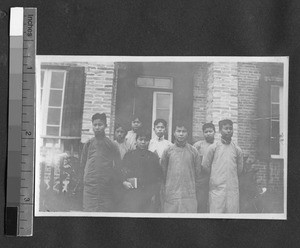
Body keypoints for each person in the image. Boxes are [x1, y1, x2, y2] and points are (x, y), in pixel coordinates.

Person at [80, 113, 121, 212]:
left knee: (104, 213)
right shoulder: (88, 144)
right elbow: (82, 164)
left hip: (106, 186)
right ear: (92, 126)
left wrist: (111, 179)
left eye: (100, 125)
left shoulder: (112, 144)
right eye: (95, 125)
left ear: (105, 126)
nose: (97, 127)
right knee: (89, 212)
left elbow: (118, 165)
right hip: (90, 186)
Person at [202, 119, 243, 213]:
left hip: (232, 189)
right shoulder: (213, 147)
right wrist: (216, 177)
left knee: (232, 216)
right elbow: (205, 166)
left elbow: (239, 169)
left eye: (230, 128)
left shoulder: (237, 149)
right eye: (226, 128)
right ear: (220, 131)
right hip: (217, 189)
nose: (228, 131)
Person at [161, 121, 201, 213]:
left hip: (189, 193)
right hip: (171, 193)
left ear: (187, 133)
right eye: (178, 131)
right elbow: (163, 171)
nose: (181, 134)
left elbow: (198, 173)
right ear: (174, 133)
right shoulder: (168, 151)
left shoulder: (193, 151)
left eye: (184, 131)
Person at [120, 128, 162, 212]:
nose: (143, 142)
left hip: (148, 195)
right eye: (140, 139)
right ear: (136, 140)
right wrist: (124, 182)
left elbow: (158, 177)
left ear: (149, 141)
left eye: (146, 140)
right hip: (132, 194)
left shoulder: (153, 157)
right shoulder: (129, 155)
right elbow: (122, 173)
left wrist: (154, 194)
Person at [193, 122, 216, 213]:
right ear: (203, 133)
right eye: (206, 132)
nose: (208, 133)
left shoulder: (217, 145)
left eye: (210, 131)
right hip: (202, 176)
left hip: (214, 174)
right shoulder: (198, 145)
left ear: (214, 132)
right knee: (201, 199)